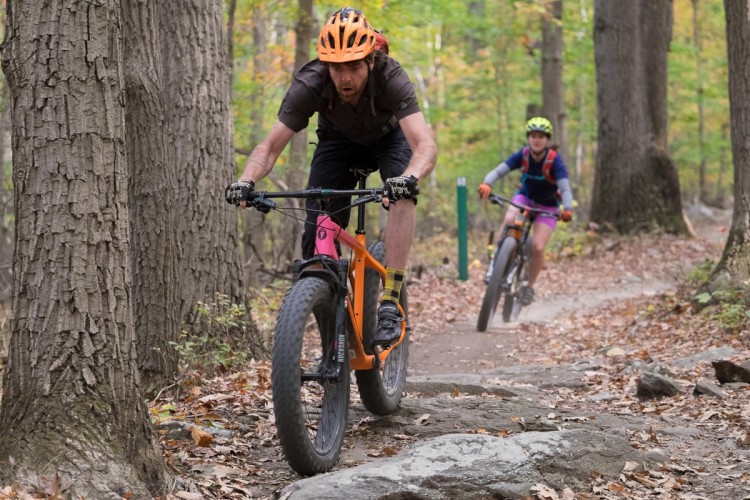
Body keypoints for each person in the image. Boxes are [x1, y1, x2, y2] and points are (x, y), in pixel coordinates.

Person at [225, 7, 437, 347]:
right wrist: (246, 181)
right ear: (326, 65)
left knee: (402, 195)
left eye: (354, 66)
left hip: (389, 138)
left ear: (370, 61)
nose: (346, 78)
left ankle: (390, 303)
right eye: (337, 68)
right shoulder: (310, 82)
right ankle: (330, 333)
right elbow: (270, 146)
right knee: (316, 235)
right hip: (338, 142)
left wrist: (410, 177)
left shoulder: (391, 76)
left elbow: (424, 144)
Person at [477, 116, 573, 306]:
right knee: (509, 218)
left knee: (537, 246)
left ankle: (529, 286)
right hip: (525, 199)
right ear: (528, 138)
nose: (537, 140)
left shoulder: (555, 161)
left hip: (548, 206)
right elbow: (499, 171)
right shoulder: (523, 155)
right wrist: (487, 183)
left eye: (541, 136)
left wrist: (567, 208)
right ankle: (496, 265)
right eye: (533, 135)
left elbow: (565, 188)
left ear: (547, 139)